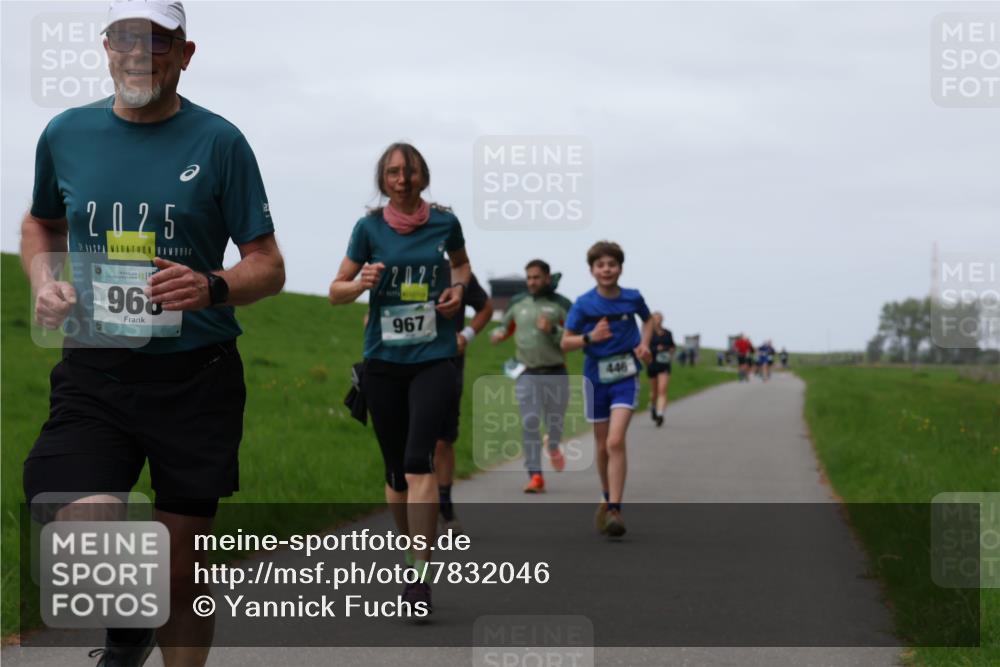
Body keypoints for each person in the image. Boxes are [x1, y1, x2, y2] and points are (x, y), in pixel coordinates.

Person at [21, 3, 285, 665]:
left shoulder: (220, 142)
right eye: (126, 39)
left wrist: (213, 285)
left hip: (197, 375)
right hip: (96, 367)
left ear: (185, 53)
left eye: (158, 42)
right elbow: (39, 223)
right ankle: (128, 619)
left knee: (182, 573)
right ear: (107, 48)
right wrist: (42, 278)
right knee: (78, 512)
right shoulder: (66, 133)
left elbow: (269, 263)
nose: (140, 54)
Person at [329, 142, 471, 612]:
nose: (403, 179)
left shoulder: (445, 223)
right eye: (393, 172)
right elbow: (335, 292)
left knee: (418, 461)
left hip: (435, 358)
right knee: (395, 472)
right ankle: (410, 551)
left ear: (423, 176)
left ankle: (419, 575)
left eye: (410, 172)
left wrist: (456, 288)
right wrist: (360, 283)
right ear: (383, 179)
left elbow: (463, 267)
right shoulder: (367, 228)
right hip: (384, 364)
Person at [561, 241, 653, 538]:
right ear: (592, 271)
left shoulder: (632, 298)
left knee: (615, 442)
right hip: (596, 379)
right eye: (600, 265)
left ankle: (615, 508)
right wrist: (590, 337)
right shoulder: (584, 304)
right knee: (601, 446)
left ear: (620, 268)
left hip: (626, 376)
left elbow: (648, 320)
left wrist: (644, 343)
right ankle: (606, 493)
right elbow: (565, 342)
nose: (606, 270)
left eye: (611, 264)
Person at [490, 259, 572, 493]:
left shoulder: (562, 304)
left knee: (554, 422)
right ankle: (535, 475)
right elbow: (505, 327)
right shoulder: (518, 302)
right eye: (529, 278)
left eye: (536, 277)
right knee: (530, 422)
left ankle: (554, 445)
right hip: (527, 372)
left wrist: (553, 330)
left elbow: (575, 337)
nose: (532, 282)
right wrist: (498, 334)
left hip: (556, 371)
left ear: (547, 278)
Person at [435, 272, 493, 533]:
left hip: (447, 363)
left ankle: (445, 507)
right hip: (405, 364)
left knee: (443, 439)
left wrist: (466, 336)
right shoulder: (400, 261)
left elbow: (486, 307)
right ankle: (415, 508)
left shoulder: (457, 273)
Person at [645, 312, 676, 427]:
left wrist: (668, 350)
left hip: (664, 364)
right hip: (653, 364)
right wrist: (655, 349)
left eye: (660, 318)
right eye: (656, 318)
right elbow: (645, 348)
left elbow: (673, 346)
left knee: (662, 390)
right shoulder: (649, 334)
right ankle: (653, 406)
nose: (658, 320)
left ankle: (660, 414)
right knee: (654, 392)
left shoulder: (668, 333)